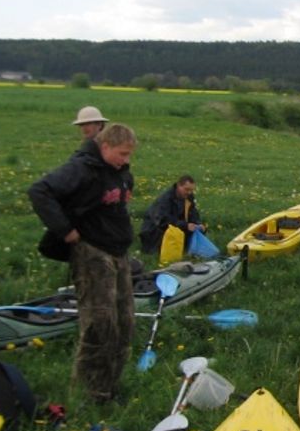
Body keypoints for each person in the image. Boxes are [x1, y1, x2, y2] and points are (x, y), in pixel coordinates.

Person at [28, 124, 137, 405]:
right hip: (92, 252)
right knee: (99, 323)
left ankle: (111, 388)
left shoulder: (121, 171)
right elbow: (40, 191)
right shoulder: (81, 168)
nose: (126, 160)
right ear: (105, 146)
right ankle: (89, 395)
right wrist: (65, 230)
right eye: (122, 154)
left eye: (129, 155)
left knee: (124, 323)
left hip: (118, 252)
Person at [139, 174, 203, 254]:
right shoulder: (165, 199)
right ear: (178, 186)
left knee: (196, 231)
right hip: (154, 231)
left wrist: (198, 224)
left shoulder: (188, 197)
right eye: (187, 189)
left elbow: (193, 213)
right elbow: (162, 221)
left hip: (176, 226)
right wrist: (185, 225)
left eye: (191, 190)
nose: (189, 192)